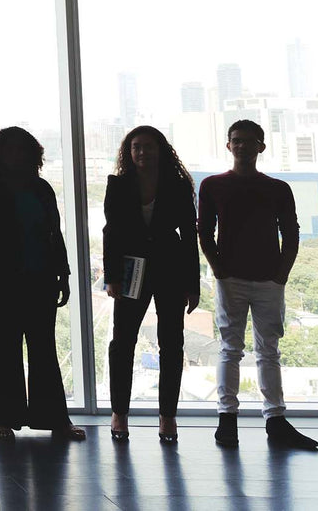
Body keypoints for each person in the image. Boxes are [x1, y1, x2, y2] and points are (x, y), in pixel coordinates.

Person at [199, 119, 318, 449]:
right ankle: (227, 420)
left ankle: (275, 420)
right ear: (228, 145)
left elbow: (291, 234)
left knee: (268, 351)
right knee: (230, 349)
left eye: (249, 141)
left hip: (269, 280)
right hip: (231, 279)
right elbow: (204, 233)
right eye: (236, 140)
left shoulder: (278, 189)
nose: (242, 146)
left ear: (261, 147)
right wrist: (220, 271)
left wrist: (281, 275)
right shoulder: (211, 185)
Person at [0, 126, 84, 441]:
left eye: (22, 149)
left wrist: (64, 274)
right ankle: (3, 421)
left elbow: (55, 233)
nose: (17, 155)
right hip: (4, 280)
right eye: (11, 149)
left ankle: (56, 420)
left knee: (43, 346)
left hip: (42, 278)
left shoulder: (42, 189)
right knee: (7, 345)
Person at [103, 126, 198, 443]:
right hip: (130, 268)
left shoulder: (178, 185)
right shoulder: (118, 185)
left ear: (161, 149)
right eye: (136, 147)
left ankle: (167, 418)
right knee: (122, 343)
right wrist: (112, 276)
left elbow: (188, 236)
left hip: (170, 267)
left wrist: (192, 284)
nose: (142, 152)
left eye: (148, 146)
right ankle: (119, 414)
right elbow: (111, 232)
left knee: (172, 343)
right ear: (128, 153)